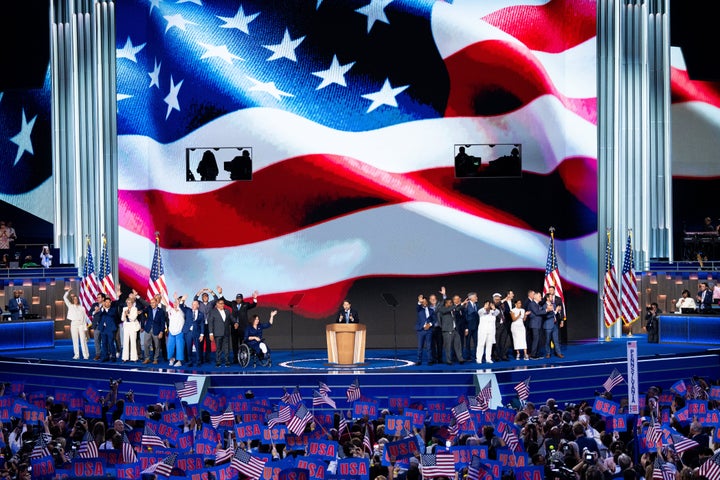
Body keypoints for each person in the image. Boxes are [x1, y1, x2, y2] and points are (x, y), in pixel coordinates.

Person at [218, 286, 258, 364]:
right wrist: (220, 293)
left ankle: (243, 358)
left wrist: (255, 298)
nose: (238, 299)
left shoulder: (246, 304)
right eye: (237, 298)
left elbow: (253, 305)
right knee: (234, 344)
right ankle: (235, 359)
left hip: (243, 328)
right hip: (234, 328)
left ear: (242, 299)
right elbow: (225, 301)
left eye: (239, 298)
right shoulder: (233, 303)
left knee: (243, 343)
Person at [436, 298, 464, 365]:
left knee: (458, 344)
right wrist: (457, 305)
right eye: (449, 302)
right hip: (447, 330)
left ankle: (460, 359)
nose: (451, 304)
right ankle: (449, 360)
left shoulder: (452, 309)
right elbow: (447, 310)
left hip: (454, 330)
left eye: (451, 302)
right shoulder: (442, 309)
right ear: (446, 303)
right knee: (448, 346)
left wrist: (462, 304)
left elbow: (457, 309)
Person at [194, 287, 219, 363]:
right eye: (204, 296)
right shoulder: (200, 303)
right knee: (200, 343)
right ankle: (200, 359)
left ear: (208, 297)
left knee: (208, 343)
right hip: (201, 326)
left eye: (206, 296)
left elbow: (216, 299)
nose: (205, 297)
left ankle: (207, 359)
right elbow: (195, 298)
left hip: (209, 326)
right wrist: (201, 291)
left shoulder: (211, 303)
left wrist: (211, 292)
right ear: (202, 298)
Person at [207, 298, 235, 367]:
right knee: (218, 348)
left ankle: (227, 361)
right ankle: (218, 362)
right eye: (221, 303)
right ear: (217, 304)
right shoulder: (213, 312)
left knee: (226, 348)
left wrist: (236, 322)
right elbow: (210, 323)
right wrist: (211, 333)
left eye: (223, 303)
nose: (222, 305)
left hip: (226, 333)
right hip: (217, 333)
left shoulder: (227, 311)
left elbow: (232, 318)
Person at [64, 289, 90, 360]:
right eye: (74, 299)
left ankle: (86, 355)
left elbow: (84, 319)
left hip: (81, 324)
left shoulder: (82, 308)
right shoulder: (70, 306)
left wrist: (85, 329)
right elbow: (64, 298)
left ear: (78, 300)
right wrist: (68, 292)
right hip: (74, 324)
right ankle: (76, 355)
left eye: (76, 299)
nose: (75, 300)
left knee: (83, 340)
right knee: (75, 340)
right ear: (72, 300)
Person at [141, 297, 166, 364]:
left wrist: (161, 332)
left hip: (156, 330)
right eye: (151, 303)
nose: (152, 304)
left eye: (153, 303)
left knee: (157, 345)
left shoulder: (161, 311)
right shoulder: (149, 309)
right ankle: (147, 358)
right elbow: (143, 312)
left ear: (156, 303)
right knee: (146, 344)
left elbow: (163, 322)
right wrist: (141, 313)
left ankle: (155, 359)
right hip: (148, 329)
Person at [180, 298, 205, 367]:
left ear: (198, 305)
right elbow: (181, 306)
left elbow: (202, 324)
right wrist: (182, 300)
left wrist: (202, 334)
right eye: (192, 304)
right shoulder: (188, 311)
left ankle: (198, 361)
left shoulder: (201, 314)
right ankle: (190, 361)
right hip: (188, 333)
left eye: (195, 304)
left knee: (198, 348)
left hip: (197, 333)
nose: (193, 305)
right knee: (188, 347)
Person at [94, 297, 119, 362]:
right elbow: (98, 315)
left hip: (110, 329)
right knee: (104, 343)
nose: (107, 303)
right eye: (106, 302)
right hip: (103, 329)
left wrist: (105, 309)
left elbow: (111, 314)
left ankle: (113, 356)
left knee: (111, 343)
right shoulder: (101, 310)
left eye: (109, 302)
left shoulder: (113, 309)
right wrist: (102, 310)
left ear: (110, 303)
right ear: (104, 303)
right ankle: (106, 356)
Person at [541, 294, 564, 358]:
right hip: (548, 326)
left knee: (556, 340)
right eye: (551, 297)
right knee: (547, 341)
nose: (552, 298)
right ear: (547, 298)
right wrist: (556, 311)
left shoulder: (554, 304)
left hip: (555, 325)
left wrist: (558, 311)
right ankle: (548, 353)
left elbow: (555, 314)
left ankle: (558, 353)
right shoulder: (544, 306)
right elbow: (547, 316)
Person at [415, 295, 435, 365]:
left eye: (426, 301)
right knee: (420, 346)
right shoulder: (420, 309)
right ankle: (418, 360)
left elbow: (434, 320)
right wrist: (419, 302)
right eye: (423, 302)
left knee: (429, 346)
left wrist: (430, 324)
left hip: (429, 331)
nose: (425, 303)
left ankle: (430, 360)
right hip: (421, 330)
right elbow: (417, 307)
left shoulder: (431, 310)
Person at [166, 294, 186, 367]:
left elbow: (180, 305)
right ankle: (171, 359)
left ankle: (179, 361)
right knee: (170, 346)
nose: (175, 304)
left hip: (179, 332)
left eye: (176, 303)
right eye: (174, 303)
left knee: (179, 347)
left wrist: (176, 299)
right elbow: (165, 303)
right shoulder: (170, 310)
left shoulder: (182, 310)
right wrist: (162, 295)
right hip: (171, 331)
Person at [120, 296, 140, 363]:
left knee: (133, 342)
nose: (129, 304)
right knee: (125, 342)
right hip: (126, 326)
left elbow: (133, 318)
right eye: (127, 303)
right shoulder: (124, 309)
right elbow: (122, 319)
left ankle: (134, 358)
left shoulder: (135, 309)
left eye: (130, 303)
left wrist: (128, 314)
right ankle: (125, 358)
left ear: (132, 303)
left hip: (132, 326)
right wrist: (124, 314)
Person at [462, 292, 480, 361]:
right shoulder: (466, 305)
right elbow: (465, 317)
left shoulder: (477, 305)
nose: (477, 298)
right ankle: (468, 356)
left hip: (476, 327)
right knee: (468, 342)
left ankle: (476, 355)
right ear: (471, 298)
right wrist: (466, 328)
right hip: (468, 327)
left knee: (476, 342)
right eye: (475, 297)